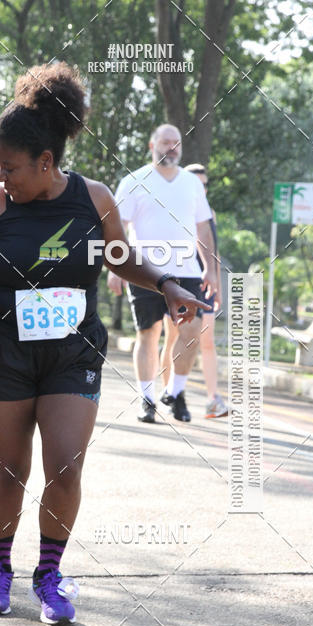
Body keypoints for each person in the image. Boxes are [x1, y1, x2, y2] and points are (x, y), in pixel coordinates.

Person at [0, 64, 210, 626]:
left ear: (46, 161)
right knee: (8, 472)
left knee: (65, 468)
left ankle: (49, 574)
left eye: (11, 166)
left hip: (73, 352)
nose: (2, 176)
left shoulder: (94, 199)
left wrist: (167, 285)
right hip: (6, 352)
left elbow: (122, 259)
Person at [108, 125, 217, 423]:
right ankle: (147, 400)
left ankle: (175, 392)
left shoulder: (191, 184)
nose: (172, 147)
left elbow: (203, 228)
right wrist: (116, 268)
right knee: (148, 334)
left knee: (192, 330)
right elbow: (117, 229)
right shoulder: (133, 181)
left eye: (176, 142)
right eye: (165, 141)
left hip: (187, 271)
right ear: (152, 144)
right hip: (145, 271)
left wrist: (210, 268)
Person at [160, 164, 228, 419]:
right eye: (197, 182)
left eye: (205, 184)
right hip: (180, 279)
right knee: (174, 338)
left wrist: (218, 285)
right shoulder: (176, 208)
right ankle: (173, 394)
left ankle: (213, 399)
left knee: (205, 339)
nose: (202, 187)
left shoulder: (209, 213)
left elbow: (215, 251)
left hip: (204, 281)